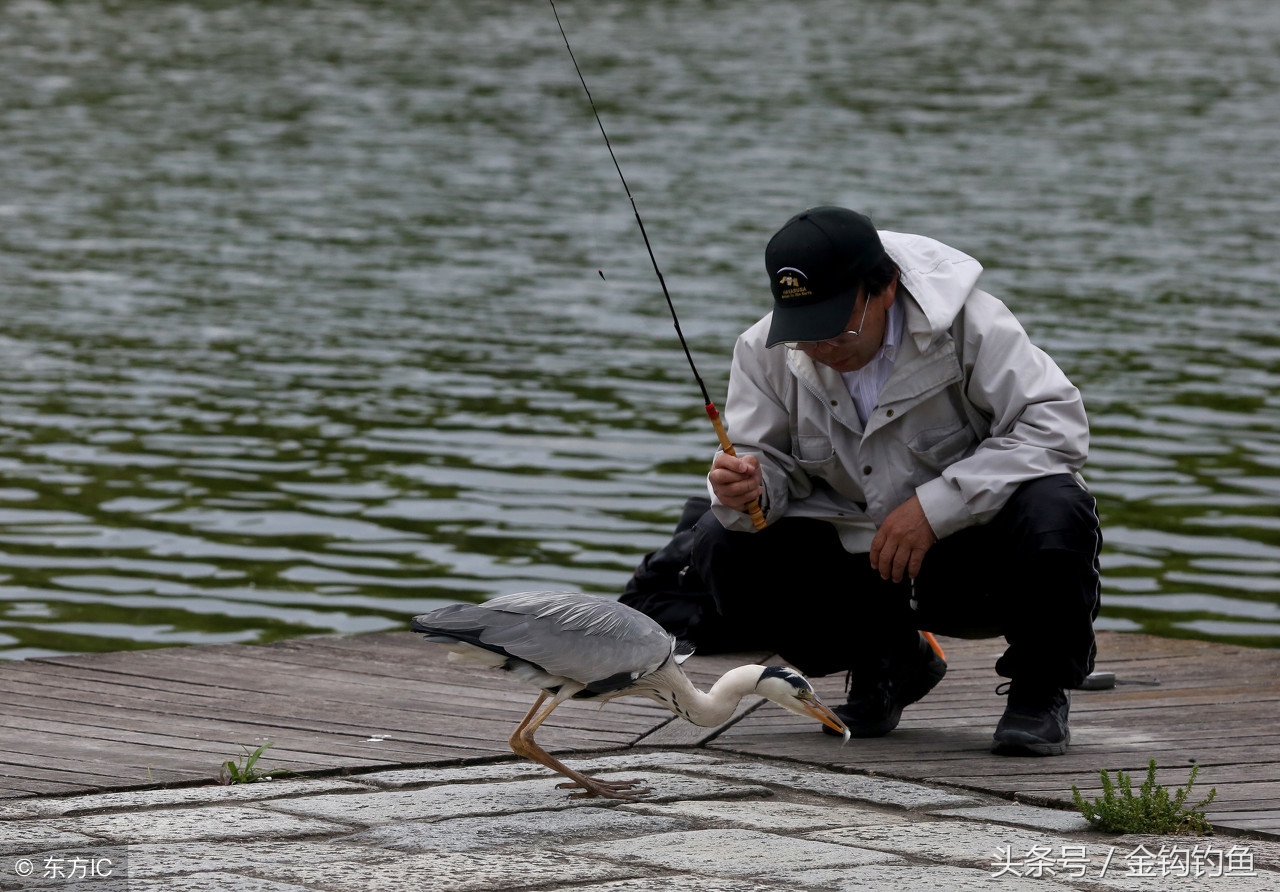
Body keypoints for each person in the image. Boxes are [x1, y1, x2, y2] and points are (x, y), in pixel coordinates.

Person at [622, 206, 1100, 756]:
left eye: (837, 326)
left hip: (970, 560)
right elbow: (766, 462)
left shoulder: (972, 325)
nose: (822, 347)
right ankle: (888, 659)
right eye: (806, 331)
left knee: (1057, 501)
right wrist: (747, 489)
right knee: (717, 540)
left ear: (886, 288)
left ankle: (1039, 693)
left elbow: (1057, 428)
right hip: (857, 558)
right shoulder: (763, 351)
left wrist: (937, 506)